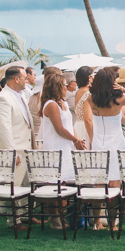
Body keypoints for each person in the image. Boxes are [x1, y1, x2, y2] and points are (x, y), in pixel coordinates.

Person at [0, 66, 35, 230]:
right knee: (13, 186)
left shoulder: (20, 96)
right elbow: (4, 129)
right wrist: (12, 152)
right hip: (16, 149)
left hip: (26, 147)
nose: (27, 80)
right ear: (16, 79)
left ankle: (23, 215)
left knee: (24, 185)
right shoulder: (3, 98)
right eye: (24, 77)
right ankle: (13, 221)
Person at [87, 67, 125, 229]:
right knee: (115, 183)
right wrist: (123, 89)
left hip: (99, 143)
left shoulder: (91, 99)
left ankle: (97, 221)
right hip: (116, 143)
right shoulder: (120, 100)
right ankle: (113, 223)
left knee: (98, 183)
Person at [40, 71, 86, 228]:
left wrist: (77, 139)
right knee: (56, 183)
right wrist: (74, 140)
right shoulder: (51, 105)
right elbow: (59, 129)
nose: (67, 87)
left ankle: (64, 216)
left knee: (66, 182)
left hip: (66, 146)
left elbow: (69, 126)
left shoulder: (63, 103)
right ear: (57, 87)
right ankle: (55, 218)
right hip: (55, 146)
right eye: (65, 85)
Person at [72, 66, 93, 145]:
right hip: (86, 128)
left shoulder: (78, 91)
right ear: (89, 77)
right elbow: (88, 119)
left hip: (78, 125)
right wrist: (92, 138)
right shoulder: (88, 93)